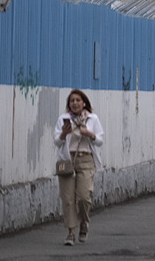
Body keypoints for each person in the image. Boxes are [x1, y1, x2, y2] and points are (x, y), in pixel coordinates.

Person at [54, 88, 105, 246]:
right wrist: (63, 134)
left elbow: (100, 141)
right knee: (68, 198)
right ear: (68, 104)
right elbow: (57, 142)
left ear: (84, 103)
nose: (75, 103)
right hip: (68, 160)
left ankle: (84, 221)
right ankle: (71, 232)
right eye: (72, 101)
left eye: (78, 100)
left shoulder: (92, 119)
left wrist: (89, 134)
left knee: (83, 196)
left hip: (85, 159)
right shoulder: (64, 119)